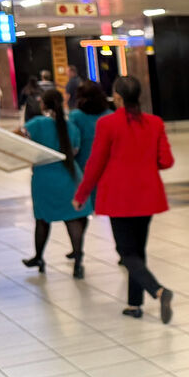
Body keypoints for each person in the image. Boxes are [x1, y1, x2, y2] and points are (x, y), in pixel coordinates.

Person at [73, 76, 176, 323]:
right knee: (137, 251)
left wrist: (81, 195)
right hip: (147, 196)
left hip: (119, 198)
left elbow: (95, 164)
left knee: (125, 251)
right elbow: (166, 161)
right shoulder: (154, 123)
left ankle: (158, 290)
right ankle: (134, 304)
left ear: (117, 97)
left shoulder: (107, 124)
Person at [20, 89, 91, 279]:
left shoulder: (37, 124)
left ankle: (39, 257)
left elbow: (18, 137)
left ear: (44, 104)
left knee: (43, 219)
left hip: (44, 178)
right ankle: (78, 262)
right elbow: (75, 150)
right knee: (72, 219)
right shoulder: (71, 127)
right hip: (69, 175)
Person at [64, 80, 111, 265]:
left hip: (84, 168)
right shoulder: (109, 115)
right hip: (107, 168)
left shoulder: (76, 116)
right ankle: (123, 251)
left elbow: (72, 142)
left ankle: (78, 249)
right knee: (113, 211)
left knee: (81, 212)